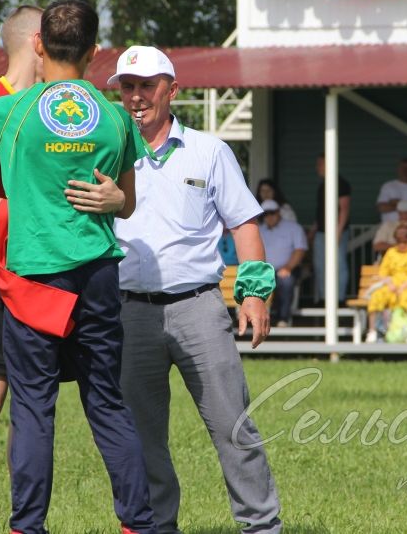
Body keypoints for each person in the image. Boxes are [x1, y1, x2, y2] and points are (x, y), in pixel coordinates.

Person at [0, 0, 156, 534]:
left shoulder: (14, 109)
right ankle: (140, 524)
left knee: (33, 410)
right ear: (94, 52)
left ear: (40, 46)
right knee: (108, 405)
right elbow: (127, 204)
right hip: (97, 276)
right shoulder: (116, 115)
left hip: (32, 278)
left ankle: (28, 526)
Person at [110, 45, 282, 534]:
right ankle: (155, 527)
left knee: (233, 426)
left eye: (147, 86)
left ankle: (262, 527)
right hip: (129, 312)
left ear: (172, 90)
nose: (136, 97)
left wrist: (252, 292)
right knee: (141, 437)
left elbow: (245, 225)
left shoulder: (209, 151)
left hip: (200, 309)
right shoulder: (104, 151)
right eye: (127, 86)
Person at [364, 220, 407, 343]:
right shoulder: (391, 252)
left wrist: (404, 286)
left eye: (405, 241)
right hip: (393, 285)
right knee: (377, 296)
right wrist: (390, 283)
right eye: (399, 242)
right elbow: (383, 273)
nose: (402, 245)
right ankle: (372, 331)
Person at [259, 198, 307, 327]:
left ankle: (283, 318)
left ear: (278, 212)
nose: (269, 217)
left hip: (288, 268)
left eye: (272, 213)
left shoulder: (293, 228)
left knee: (285, 281)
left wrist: (288, 267)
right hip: (264, 270)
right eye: (265, 214)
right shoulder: (259, 230)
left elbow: (300, 250)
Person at [310, 154, 351, 302]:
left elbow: (344, 209)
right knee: (320, 266)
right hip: (321, 232)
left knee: (339, 265)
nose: (317, 167)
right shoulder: (323, 185)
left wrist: (338, 232)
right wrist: (314, 230)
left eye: (320, 164)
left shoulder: (341, 183)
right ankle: (324, 299)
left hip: (337, 232)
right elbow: (320, 211)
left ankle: (339, 300)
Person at [376, 157, 407, 223]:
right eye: (402, 168)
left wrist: (395, 203)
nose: (405, 170)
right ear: (398, 169)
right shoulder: (388, 186)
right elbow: (381, 207)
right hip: (389, 228)